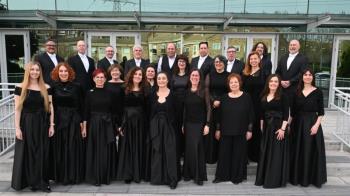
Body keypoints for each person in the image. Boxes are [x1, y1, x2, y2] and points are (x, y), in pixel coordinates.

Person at [11, 62, 54, 192]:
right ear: (28, 71)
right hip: (27, 124)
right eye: (32, 70)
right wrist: (17, 128)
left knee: (43, 152)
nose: (35, 72)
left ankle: (43, 182)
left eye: (37, 70)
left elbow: (51, 108)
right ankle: (32, 182)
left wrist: (52, 125)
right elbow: (17, 110)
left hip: (42, 123)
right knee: (29, 153)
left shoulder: (46, 87)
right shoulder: (20, 87)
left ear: (40, 72)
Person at [213, 73, 254, 184]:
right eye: (231, 82)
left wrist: (249, 130)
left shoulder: (246, 97)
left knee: (238, 155)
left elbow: (251, 114)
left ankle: (237, 177)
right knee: (224, 154)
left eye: (236, 82)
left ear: (239, 83)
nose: (234, 84)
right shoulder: (224, 97)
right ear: (228, 84)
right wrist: (218, 129)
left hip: (241, 130)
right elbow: (219, 116)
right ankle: (222, 176)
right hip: (226, 131)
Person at [290, 68, 327, 187]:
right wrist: (288, 125)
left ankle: (309, 178)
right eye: (305, 75)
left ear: (313, 77)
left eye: (310, 75)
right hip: (298, 124)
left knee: (310, 151)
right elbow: (293, 112)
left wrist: (316, 125)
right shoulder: (296, 92)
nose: (307, 76)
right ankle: (297, 177)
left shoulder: (318, 92)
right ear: (302, 77)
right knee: (298, 151)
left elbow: (321, 112)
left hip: (312, 123)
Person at [49, 62, 85, 184]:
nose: (63, 73)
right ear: (57, 73)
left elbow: (81, 105)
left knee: (72, 148)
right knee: (61, 148)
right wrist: (51, 123)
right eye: (61, 71)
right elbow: (51, 106)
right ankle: (61, 176)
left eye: (65, 71)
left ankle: (73, 176)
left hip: (74, 120)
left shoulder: (77, 86)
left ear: (70, 73)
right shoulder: (53, 87)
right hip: (59, 121)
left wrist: (82, 123)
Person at [82, 69, 117, 186]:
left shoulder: (110, 93)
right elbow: (85, 112)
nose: (100, 79)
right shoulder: (89, 93)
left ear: (105, 79)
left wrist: (115, 126)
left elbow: (114, 111)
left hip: (107, 124)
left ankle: (106, 175)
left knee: (106, 149)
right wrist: (84, 128)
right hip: (94, 125)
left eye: (102, 77)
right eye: (97, 77)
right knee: (95, 150)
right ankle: (95, 176)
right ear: (93, 79)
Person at [255, 74, 289, 188]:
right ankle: (264, 178)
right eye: (271, 81)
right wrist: (261, 126)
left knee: (276, 154)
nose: (273, 83)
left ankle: (274, 180)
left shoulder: (283, 96)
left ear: (279, 84)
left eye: (276, 81)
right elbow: (261, 114)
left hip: (278, 128)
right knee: (266, 152)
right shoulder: (263, 95)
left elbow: (286, 115)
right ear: (268, 83)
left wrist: (283, 129)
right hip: (266, 128)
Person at [117, 67, 147, 183]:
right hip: (127, 121)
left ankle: (138, 173)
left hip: (140, 122)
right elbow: (119, 108)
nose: (138, 76)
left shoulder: (145, 89)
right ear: (131, 75)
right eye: (136, 74)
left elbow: (146, 108)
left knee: (139, 146)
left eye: (140, 74)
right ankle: (128, 174)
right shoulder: (123, 89)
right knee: (127, 147)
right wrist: (119, 125)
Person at [149, 72, 178, 189]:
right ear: (157, 81)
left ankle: (172, 179)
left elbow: (177, 113)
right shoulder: (152, 95)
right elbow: (149, 113)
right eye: (159, 78)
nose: (161, 80)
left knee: (170, 152)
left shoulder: (173, 95)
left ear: (167, 80)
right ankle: (158, 178)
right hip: (156, 127)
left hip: (169, 127)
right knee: (158, 152)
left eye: (163, 78)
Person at [182, 69, 210, 186]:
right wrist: (183, 124)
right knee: (189, 149)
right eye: (193, 75)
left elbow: (209, 108)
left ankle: (198, 176)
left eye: (197, 75)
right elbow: (185, 109)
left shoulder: (204, 91)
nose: (194, 77)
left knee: (197, 148)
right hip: (188, 124)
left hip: (199, 124)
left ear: (200, 78)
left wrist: (207, 124)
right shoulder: (187, 91)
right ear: (190, 77)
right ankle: (189, 174)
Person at [242, 51, 268, 162]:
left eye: (255, 59)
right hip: (246, 104)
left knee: (257, 128)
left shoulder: (264, 73)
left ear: (259, 60)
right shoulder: (244, 72)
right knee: (246, 127)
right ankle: (245, 155)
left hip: (259, 104)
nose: (253, 61)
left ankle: (255, 155)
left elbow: (267, 89)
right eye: (251, 59)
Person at [204, 55, 229, 164]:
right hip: (212, 106)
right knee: (212, 131)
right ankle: (211, 156)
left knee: (223, 130)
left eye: (220, 62)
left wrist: (220, 101)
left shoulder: (229, 75)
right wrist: (213, 101)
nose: (218, 64)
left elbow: (230, 90)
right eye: (216, 62)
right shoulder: (210, 75)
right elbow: (206, 90)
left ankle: (222, 156)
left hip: (225, 106)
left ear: (224, 63)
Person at [171, 54, 190, 167]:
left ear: (186, 63)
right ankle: (178, 150)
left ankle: (185, 151)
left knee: (186, 127)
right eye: (179, 61)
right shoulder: (173, 76)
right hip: (176, 105)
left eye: (183, 61)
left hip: (187, 104)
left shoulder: (189, 75)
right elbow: (171, 90)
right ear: (177, 63)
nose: (181, 63)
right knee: (177, 128)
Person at [275, 39, 309, 104]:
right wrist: (281, 81)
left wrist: (290, 82)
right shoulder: (283, 57)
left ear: (299, 47)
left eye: (294, 45)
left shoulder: (304, 59)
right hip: (282, 89)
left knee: (294, 110)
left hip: (295, 89)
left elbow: (302, 73)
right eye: (290, 45)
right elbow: (278, 72)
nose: (292, 47)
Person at [105, 64, 125, 134]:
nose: (115, 72)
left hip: (122, 113)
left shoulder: (125, 84)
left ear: (120, 72)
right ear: (110, 72)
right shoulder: (105, 84)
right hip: (109, 114)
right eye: (113, 71)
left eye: (117, 70)